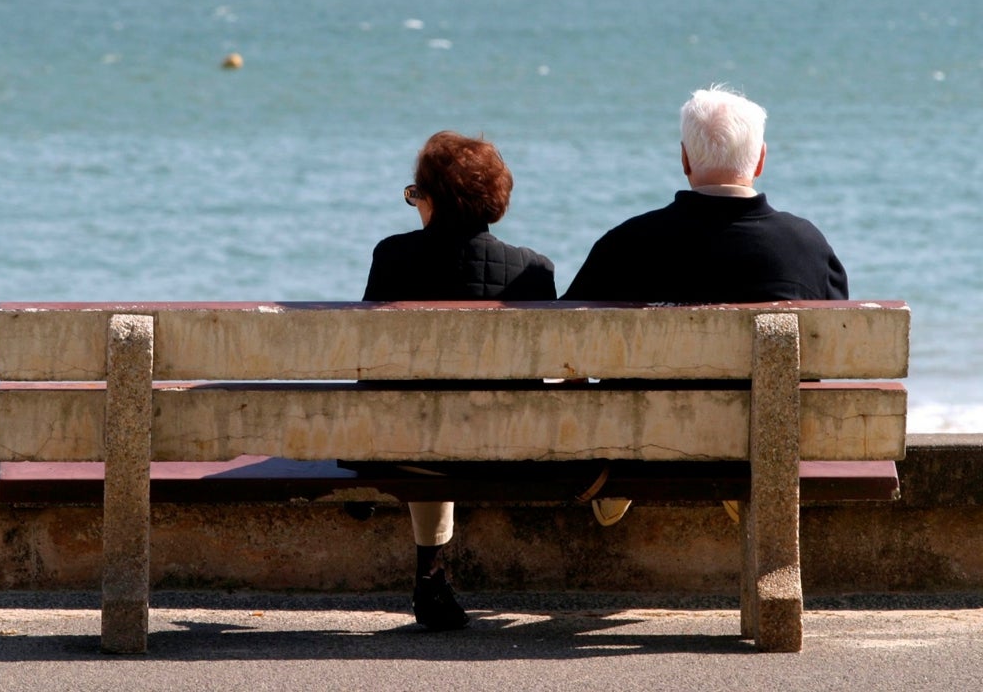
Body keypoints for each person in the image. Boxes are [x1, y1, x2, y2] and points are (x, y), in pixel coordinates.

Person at [562, 85, 848, 525]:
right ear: (760, 160)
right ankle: (737, 474)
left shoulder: (627, 242)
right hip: (757, 436)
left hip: (646, 436)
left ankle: (620, 467)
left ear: (684, 159)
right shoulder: (807, 245)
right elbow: (827, 355)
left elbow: (567, 341)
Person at [363, 130, 556, 630]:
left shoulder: (393, 257)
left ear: (429, 200)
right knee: (454, 412)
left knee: (424, 414)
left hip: (408, 447)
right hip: (508, 448)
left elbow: (371, 365)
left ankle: (430, 573)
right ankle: (431, 576)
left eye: (416, 195)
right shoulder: (533, 271)